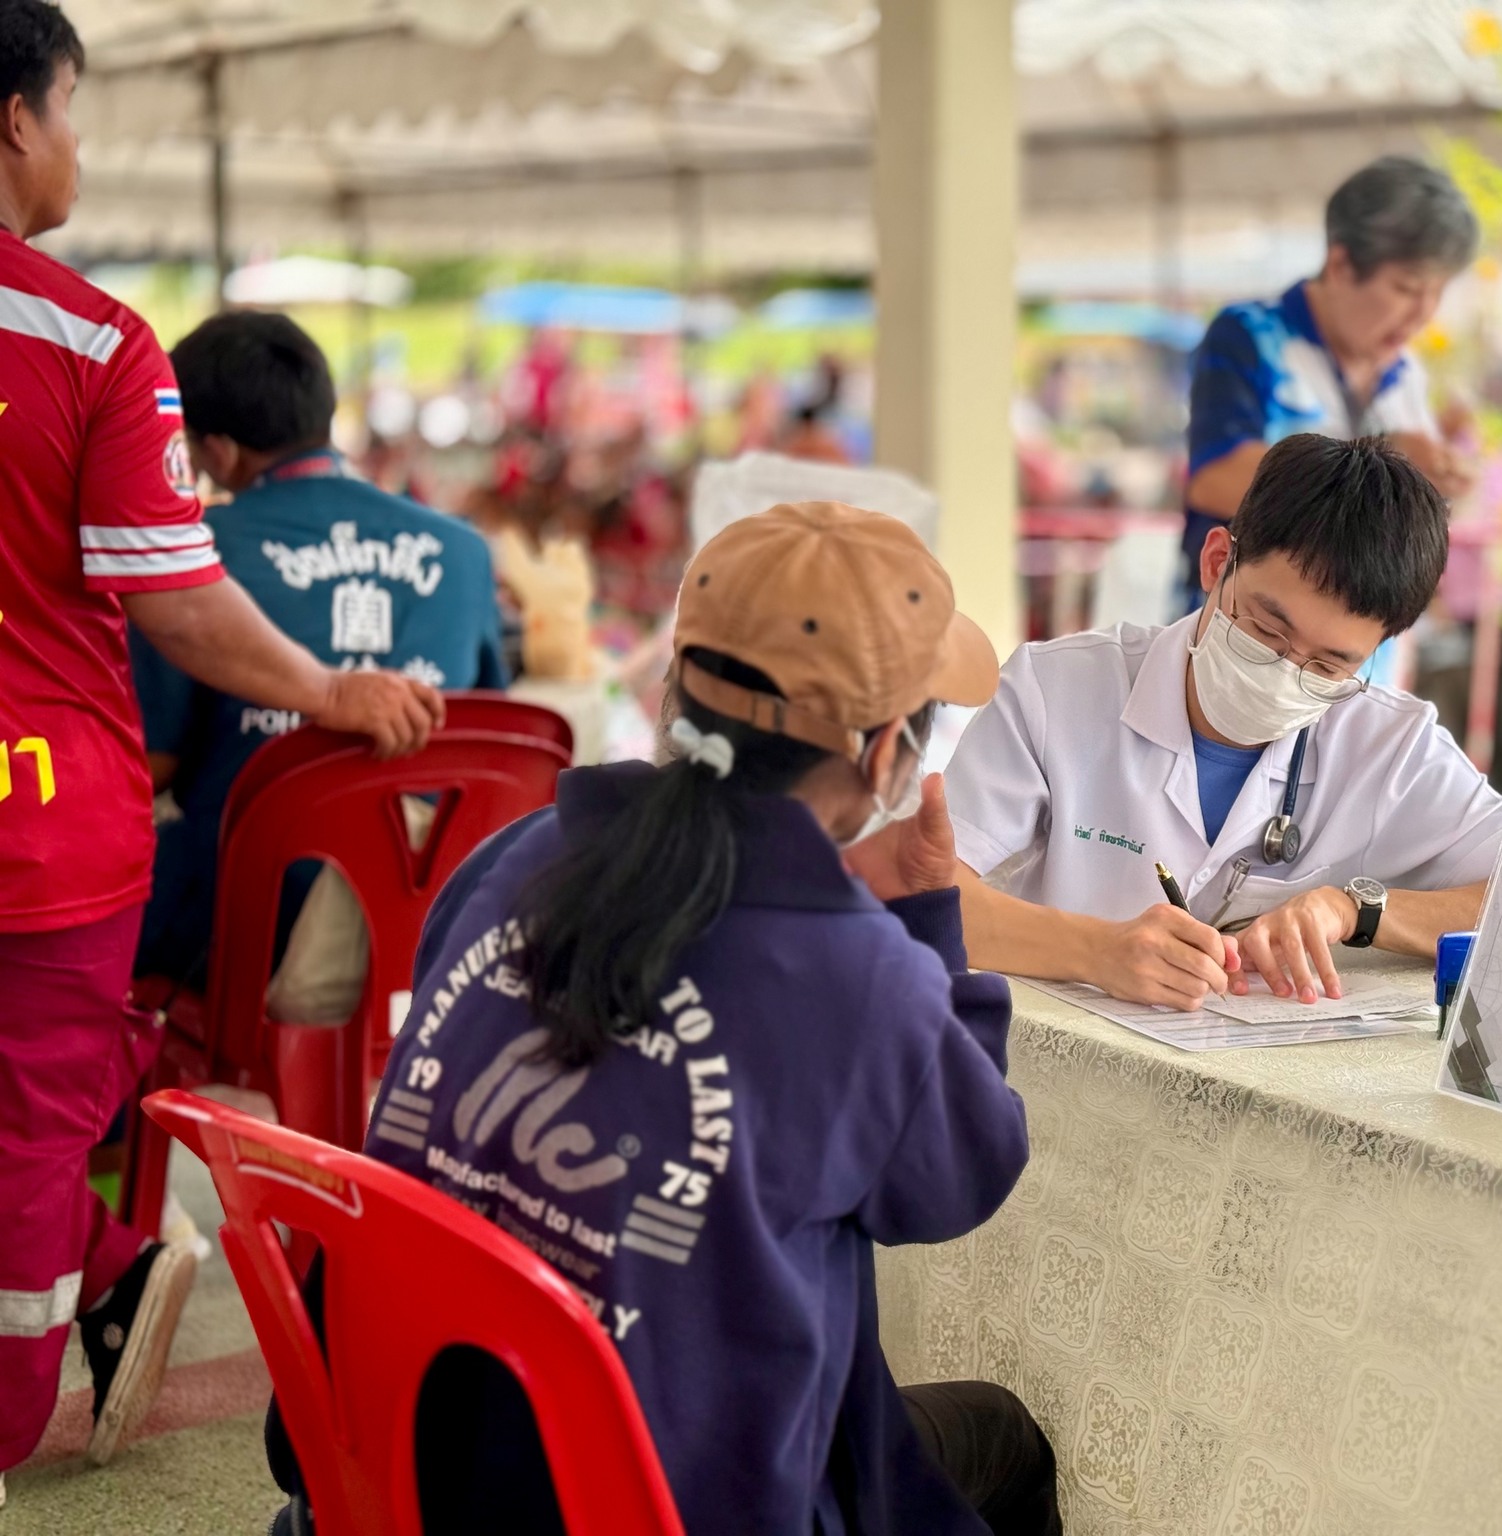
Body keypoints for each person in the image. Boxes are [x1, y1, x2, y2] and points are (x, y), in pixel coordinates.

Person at [267, 501, 1058, 1535]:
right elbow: (959, 1178)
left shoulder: (517, 856)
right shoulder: (865, 979)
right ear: (883, 759)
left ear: (674, 690)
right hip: (657, 1503)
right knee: (1003, 1440)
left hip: (397, 1462)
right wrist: (927, 920)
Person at [0, 0, 442, 1485]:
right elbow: (178, 606)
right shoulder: (94, 342)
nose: (75, 144)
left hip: (194, 903)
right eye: (72, 109)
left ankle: (118, 1260)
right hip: (60, 844)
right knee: (29, 1135)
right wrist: (329, 692)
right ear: (17, 118)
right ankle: (99, 1283)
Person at [944, 433, 1502, 1010]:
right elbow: (922, 892)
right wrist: (1094, 951)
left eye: (1328, 665)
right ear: (1218, 562)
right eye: (1266, 631)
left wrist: (1356, 911)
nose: (1284, 673)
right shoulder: (1055, 689)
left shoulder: (1391, 745)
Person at [130, 311, 506, 984]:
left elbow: (148, 766)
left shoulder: (192, 557)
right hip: (421, 927)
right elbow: (487, 738)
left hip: (243, 932)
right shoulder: (463, 550)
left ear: (217, 452)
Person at [1181, 155, 1480, 617]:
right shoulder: (1250, 336)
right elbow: (1213, 479)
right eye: (1406, 288)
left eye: (1437, 292)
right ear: (1341, 264)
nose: (1424, 314)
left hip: (1366, 644)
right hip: (1246, 630)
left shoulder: (1406, 373)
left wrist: (1440, 481)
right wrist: (1387, 459)